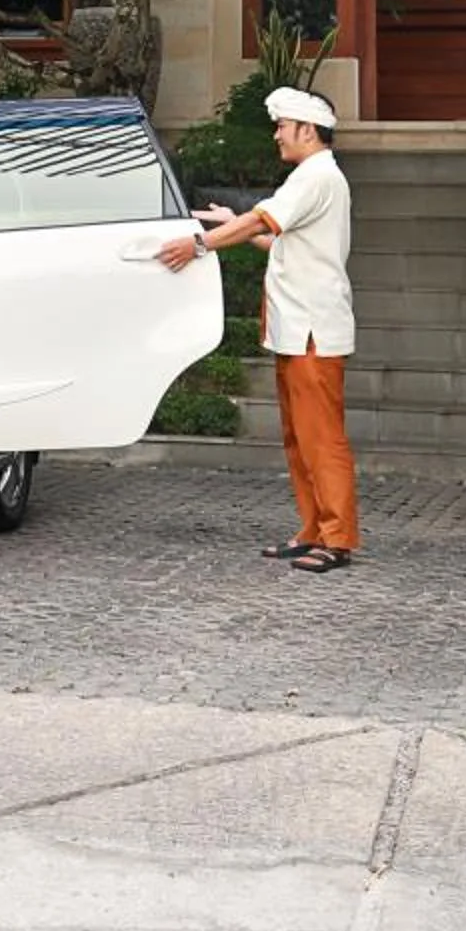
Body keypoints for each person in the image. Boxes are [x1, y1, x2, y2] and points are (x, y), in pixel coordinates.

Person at [155, 86, 358, 573]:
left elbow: (256, 222)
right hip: (297, 327)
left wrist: (201, 242)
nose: (276, 136)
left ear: (307, 130)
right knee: (299, 437)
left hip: (313, 329)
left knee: (321, 436)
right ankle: (313, 530)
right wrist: (233, 224)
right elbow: (280, 243)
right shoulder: (314, 178)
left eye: (282, 127)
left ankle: (337, 537)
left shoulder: (315, 177)